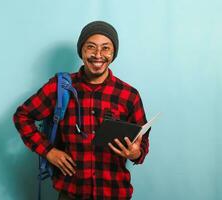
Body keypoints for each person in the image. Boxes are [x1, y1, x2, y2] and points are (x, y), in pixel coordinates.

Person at [13, 21, 150, 200]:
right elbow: (22, 116)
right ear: (82, 51)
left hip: (114, 193)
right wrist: (48, 151)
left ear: (113, 52)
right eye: (91, 47)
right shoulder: (60, 87)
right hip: (71, 192)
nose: (98, 55)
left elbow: (143, 142)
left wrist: (136, 153)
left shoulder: (129, 95)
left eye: (106, 48)